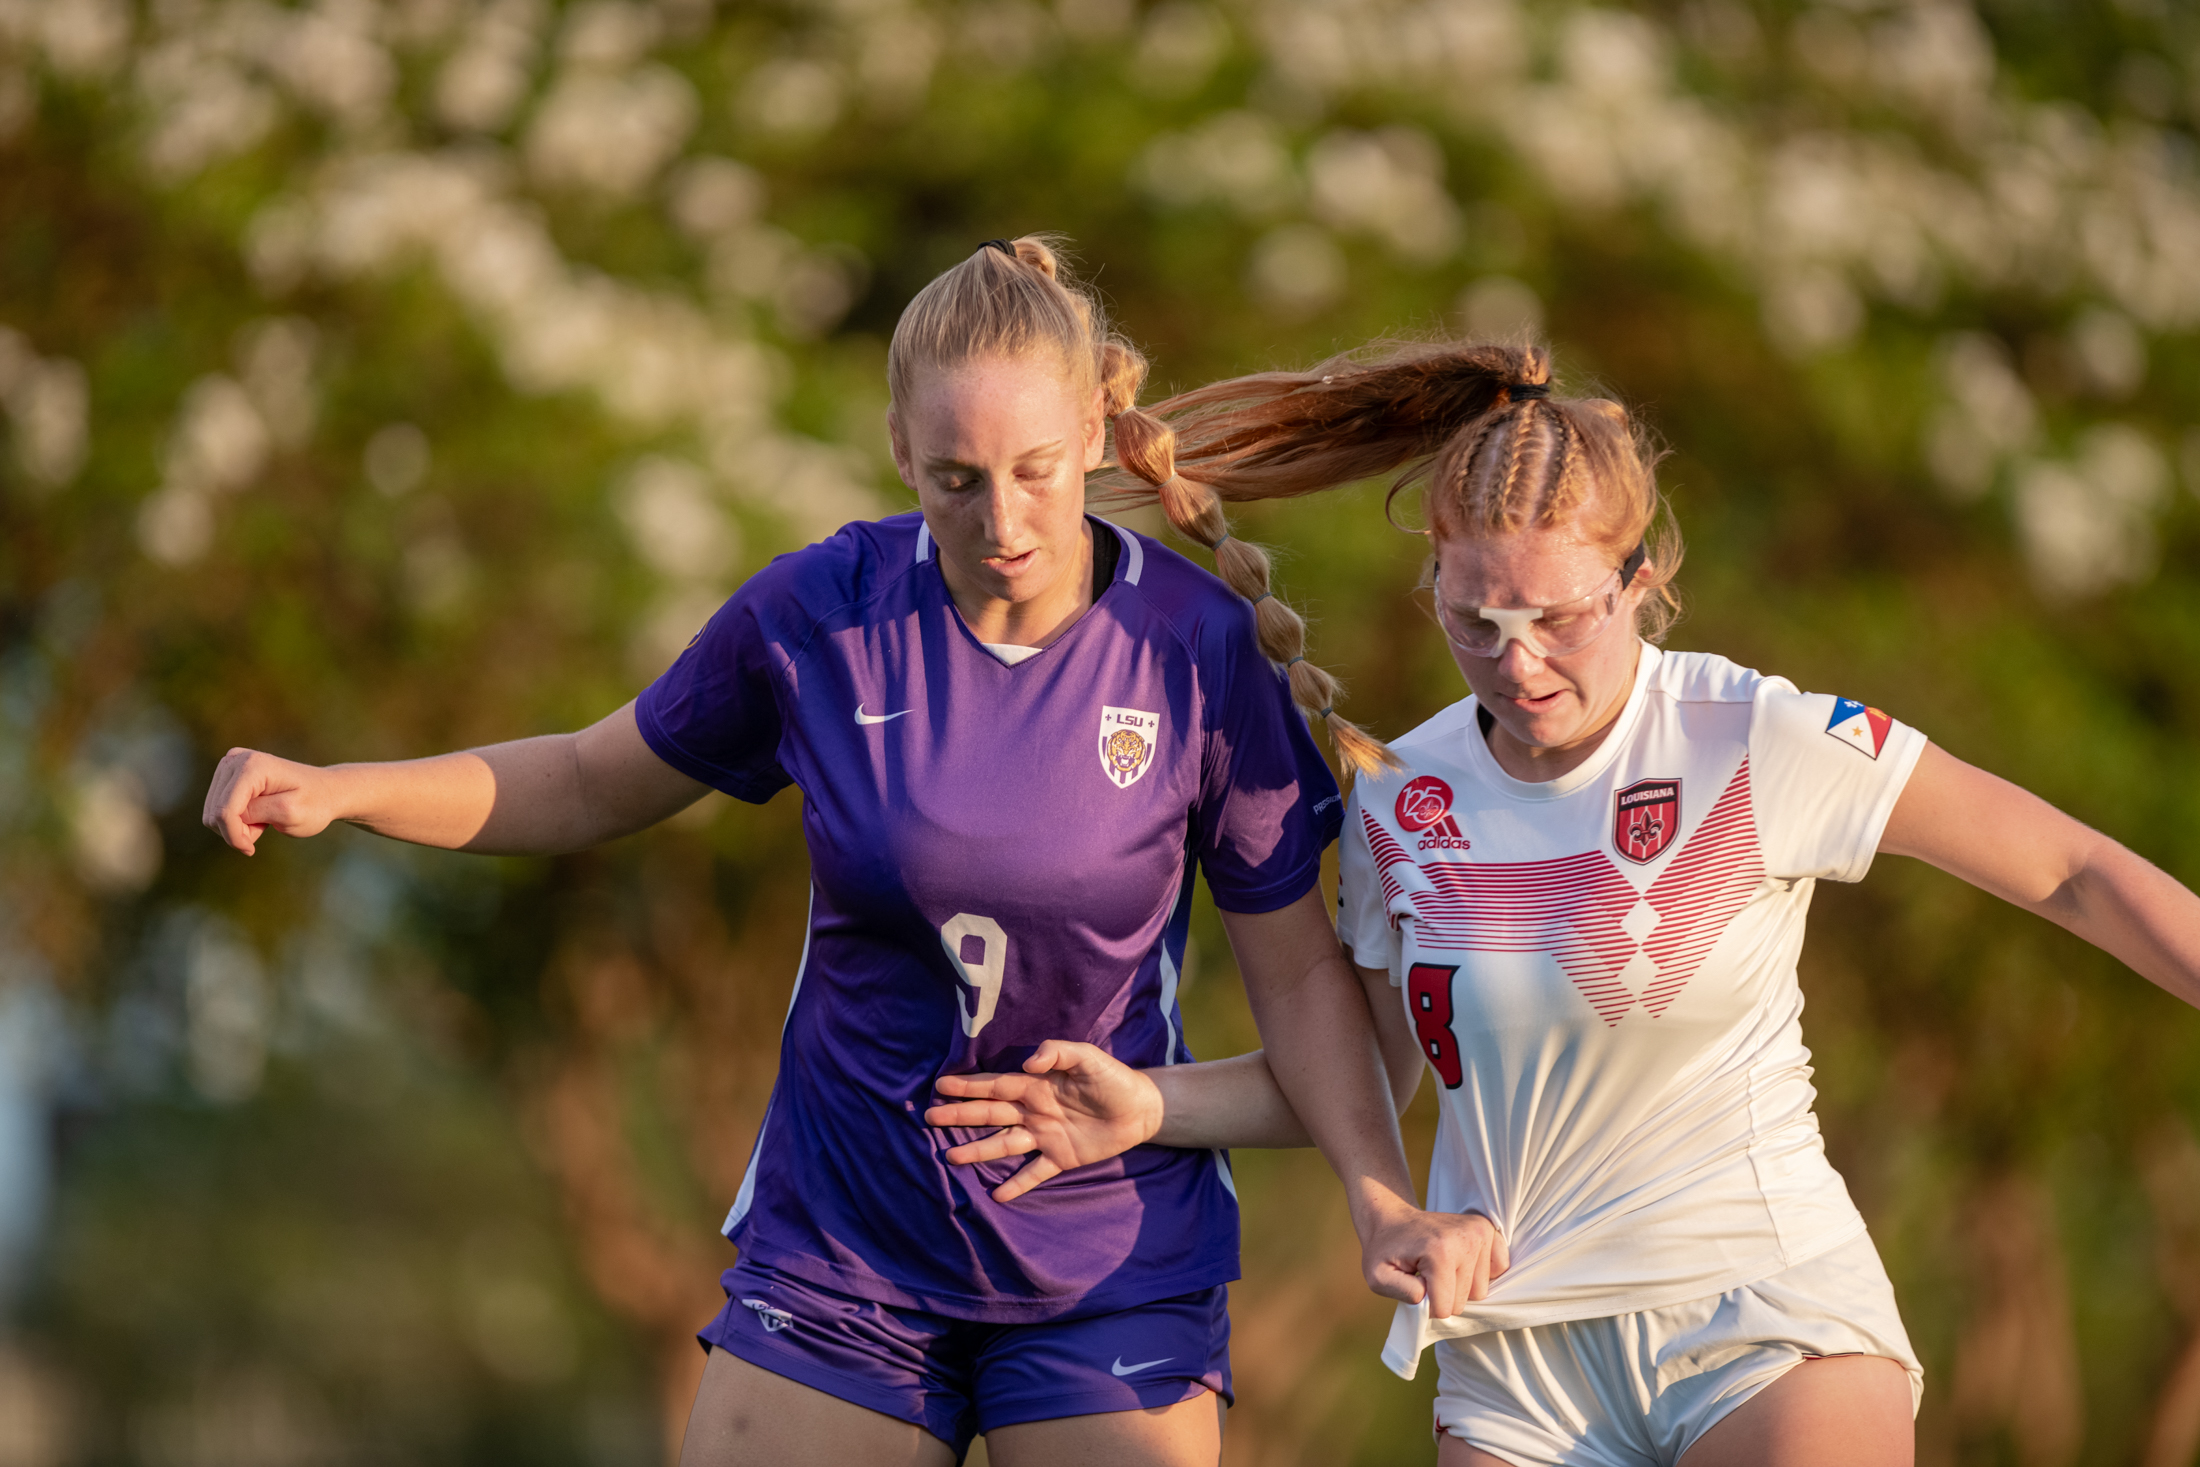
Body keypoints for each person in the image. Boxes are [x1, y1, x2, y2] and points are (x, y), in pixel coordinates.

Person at [199, 239, 1491, 1467]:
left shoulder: (1197, 651)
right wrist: (341, 787)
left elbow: (1306, 983)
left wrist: (1381, 1195)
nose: (1004, 520)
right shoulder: (821, 615)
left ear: (1097, 432)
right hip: (843, 1251)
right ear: (897, 452)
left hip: (1108, 1260)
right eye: (956, 478)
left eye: (1038, 469)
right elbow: (594, 776)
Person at [923, 339, 2200, 1466]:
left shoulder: (1752, 734)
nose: (1518, 661)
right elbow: (1366, 1071)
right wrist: (1155, 1105)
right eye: (1475, 621)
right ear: (1430, 582)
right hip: (1517, 1369)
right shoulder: (1397, 797)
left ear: (1640, 576)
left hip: (1759, 1315)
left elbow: (2072, 870)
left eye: (1558, 617)